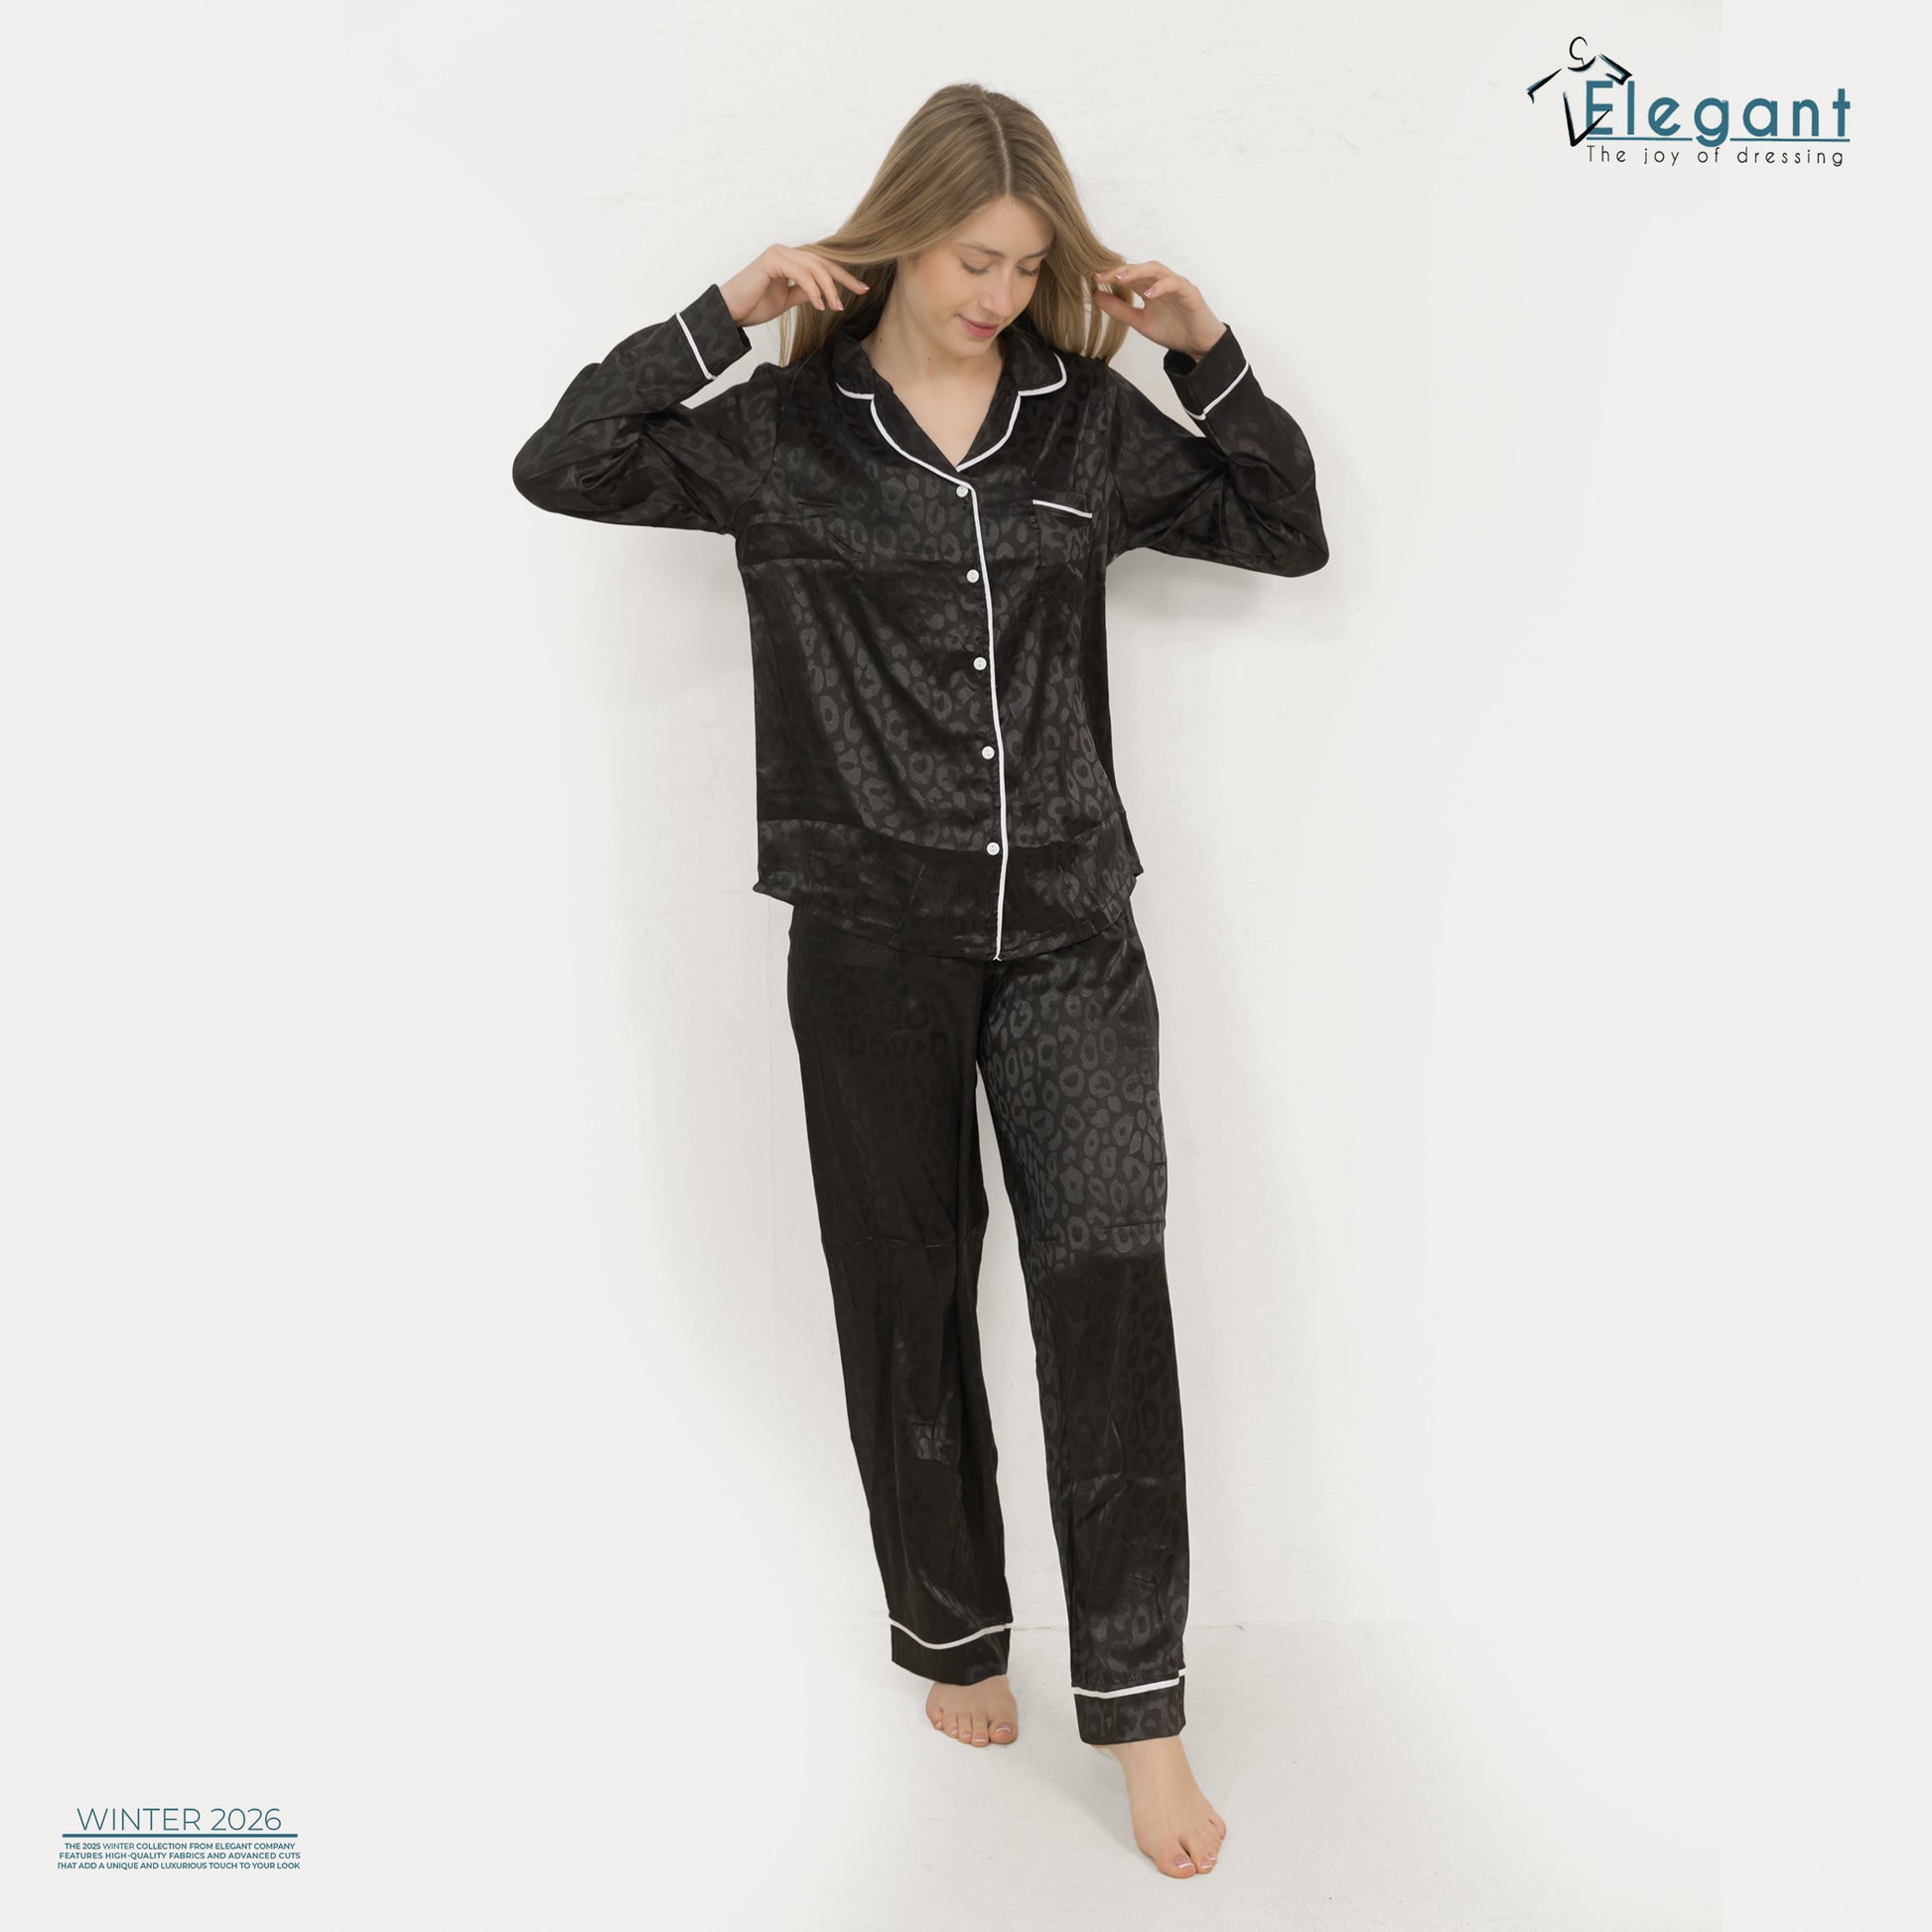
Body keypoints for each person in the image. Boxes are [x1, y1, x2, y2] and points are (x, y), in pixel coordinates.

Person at [511, 80, 1328, 1881]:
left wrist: (1205, 356)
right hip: (867, 930)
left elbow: (1282, 527)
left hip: (1069, 928)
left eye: (1027, 266)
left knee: (1105, 1297)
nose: (997, 293)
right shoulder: (778, 431)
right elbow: (561, 460)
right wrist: (724, 311)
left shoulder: (1080, 418)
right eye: (973, 258)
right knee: (904, 1289)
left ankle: (1144, 1714)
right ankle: (953, 1631)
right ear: (896, 240)